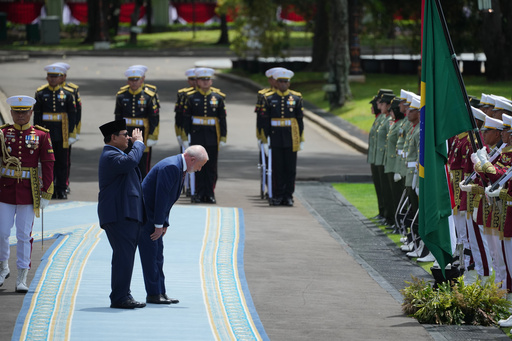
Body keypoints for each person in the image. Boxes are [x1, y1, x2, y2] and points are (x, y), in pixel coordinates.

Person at [138, 145, 208, 304]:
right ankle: (153, 294)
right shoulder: (171, 167)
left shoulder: (178, 167)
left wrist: (164, 223)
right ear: (192, 159)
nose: (199, 170)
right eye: (199, 165)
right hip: (147, 217)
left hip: (154, 217)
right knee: (151, 256)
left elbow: (168, 199)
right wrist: (157, 224)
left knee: (158, 256)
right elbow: (160, 198)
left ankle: (160, 292)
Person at [0, 95, 55, 292]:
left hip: (29, 191)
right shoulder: (3, 133)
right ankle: (3, 267)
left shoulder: (41, 135)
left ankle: (22, 275)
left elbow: (48, 164)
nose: (21, 115)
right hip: (4, 190)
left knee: (24, 235)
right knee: (2, 232)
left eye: (24, 112)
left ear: (31, 113)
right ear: (12, 113)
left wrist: (47, 192)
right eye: (17, 112)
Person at [97, 119, 146, 309]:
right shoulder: (110, 155)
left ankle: (123, 293)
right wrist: (139, 144)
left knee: (125, 256)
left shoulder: (116, 154)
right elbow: (131, 160)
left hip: (124, 214)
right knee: (124, 256)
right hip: (119, 214)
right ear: (113, 137)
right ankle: (120, 297)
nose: (128, 138)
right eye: (124, 135)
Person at [182, 67, 227, 204]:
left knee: (211, 167)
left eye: (208, 79)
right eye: (202, 80)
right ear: (198, 81)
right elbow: (186, 119)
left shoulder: (218, 98)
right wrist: (184, 137)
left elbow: (222, 119)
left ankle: (210, 193)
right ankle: (198, 193)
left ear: (211, 81)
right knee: (197, 166)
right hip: (197, 136)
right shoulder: (191, 98)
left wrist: (223, 137)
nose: (206, 82)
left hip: (212, 136)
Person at [33, 64, 77, 199]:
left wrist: (71, 134)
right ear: (47, 77)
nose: (53, 79)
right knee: (47, 162)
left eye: (55, 77)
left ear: (60, 78)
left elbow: (72, 116)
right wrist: (37, 134)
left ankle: (61, 188)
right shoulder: (41, 93)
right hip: (47, 134)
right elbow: (37, 116)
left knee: (62, 163)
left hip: (62, 134)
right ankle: (48, 188)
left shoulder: (68, 95)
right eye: (51, 77)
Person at [262, 68, 304, 206]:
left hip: (291, 137)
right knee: (277, 168)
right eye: (280, 82)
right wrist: (265, 140)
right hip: (275, 137)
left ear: (289, 83)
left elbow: (299, 120)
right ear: (276, 83)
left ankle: (288, 195)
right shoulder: (269, 99)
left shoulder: (296, 98)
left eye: (285, 82)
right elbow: (266, 122)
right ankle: (278, 194)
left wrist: (301, 139)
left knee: (290, 169)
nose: (283, 85)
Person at [114, 67, 160, 178]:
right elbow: (118, 117)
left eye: (137, 80)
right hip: (126, 133)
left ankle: (142, 189)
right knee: (125, 161)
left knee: (142, 164)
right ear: (128, 81)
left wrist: (152, 135)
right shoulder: (121, 95)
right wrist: (117, 134)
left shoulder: (148, 96)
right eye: (131, 80)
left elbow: (153, 118)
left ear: (142, 80)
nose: (134, 83)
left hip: (143, 132)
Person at [52, 62, 82, 195]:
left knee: (64, 160)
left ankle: (64, 183)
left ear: (64, 77)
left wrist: (74, 131)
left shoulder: (72, 90)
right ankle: (53, 184)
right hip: (53, 130)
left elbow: (76, 113)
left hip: (65, 130)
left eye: (59, 75)